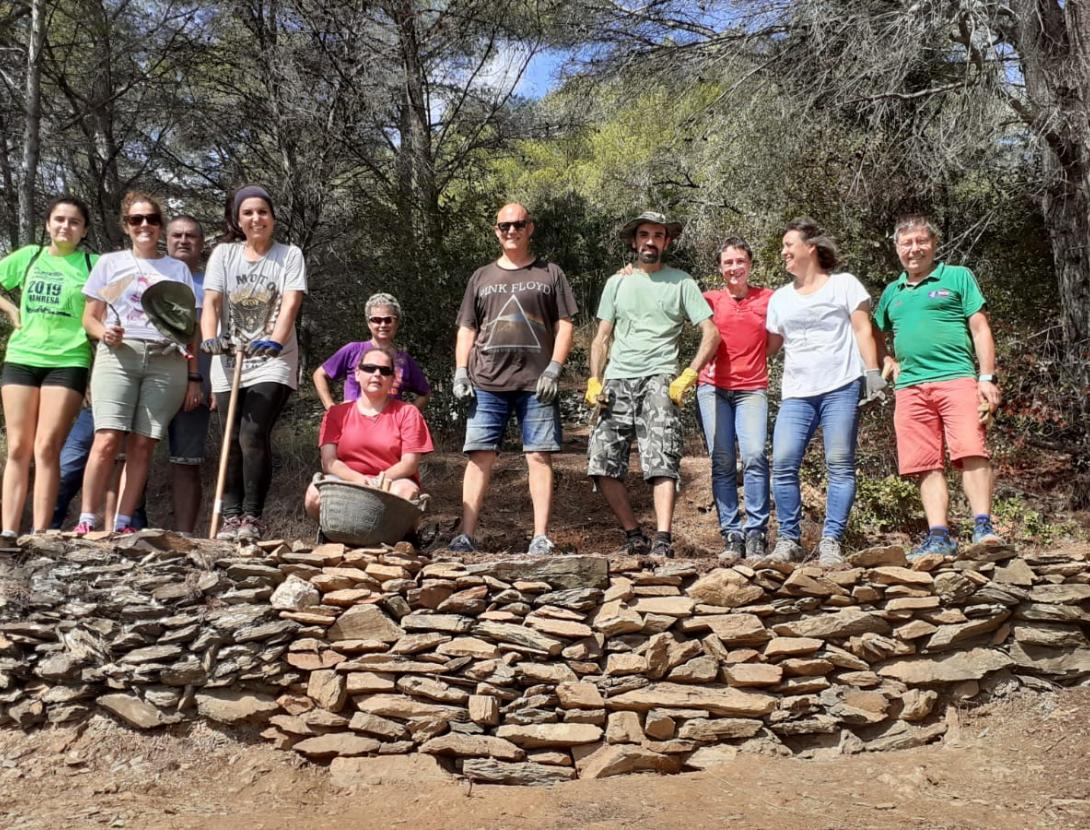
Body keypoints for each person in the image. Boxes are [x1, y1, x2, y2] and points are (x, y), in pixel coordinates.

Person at [585, 210, 720, 558]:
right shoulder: (617, 282)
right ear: (634, 241)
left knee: (662, 460)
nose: (650, 241)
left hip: (659, 378)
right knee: (601, 462)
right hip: (616, 380)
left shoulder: (682, 282)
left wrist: (687, 375)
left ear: (667, 241)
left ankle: (662, 538)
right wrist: (593, 379)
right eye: (644, 235)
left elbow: (711, 332)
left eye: (658, 235)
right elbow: (601, 337)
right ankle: (633, 534)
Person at [450, 202, 577, 555]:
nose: (511, 231)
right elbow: (467, 327)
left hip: (537, 383)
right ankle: (466, 534)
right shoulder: (481, 277)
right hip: (486, 381)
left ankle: (540, 536)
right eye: (504, 226)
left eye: (518, 224)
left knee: (538, 456)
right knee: (479, 456)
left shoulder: (550, 273)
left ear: (530, 228)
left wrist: (555, 367)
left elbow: (565, 323)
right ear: (496, 230)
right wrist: (461, 371)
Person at [874, 214, 1002, 558]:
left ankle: (983, 527)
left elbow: (980, 329)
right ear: (897, 249)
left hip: (957, 378)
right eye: (906, 243)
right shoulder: (892, 292)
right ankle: (939, 535)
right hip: (911, 388)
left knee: (971, 450)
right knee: (925, 463)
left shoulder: (957, 277)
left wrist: (986, 378)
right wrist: (887, 360)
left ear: (933, 245)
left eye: (921, 242)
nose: (914, 249)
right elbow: (873, 330)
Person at [75, 191, 199, 535]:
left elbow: (191, 327)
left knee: (144, 443)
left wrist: (194, 377)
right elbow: (90, 318)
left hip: (166, 360)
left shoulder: (176, 268)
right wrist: (104, 333)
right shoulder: (109, 263)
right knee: (108, 438)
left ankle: (125, 522)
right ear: (126, 225)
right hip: (119, 355)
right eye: (136, 219)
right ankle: (87, 519)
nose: (145, 225)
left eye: (152, 219)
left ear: (161, 227)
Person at [765, 217, 886, 566]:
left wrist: (873, 370)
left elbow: (863, 329)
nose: (784, 251)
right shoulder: (780, 298)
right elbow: (770, 346)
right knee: (784, 463)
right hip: (797, 393)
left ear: (810, 248)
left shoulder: (844, 285)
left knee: (840, 465)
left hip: (840, 387)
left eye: (789, 245)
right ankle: (789, 540)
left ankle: (831, 541)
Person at [201, 185, 307, 542]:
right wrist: (209, 338)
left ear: (273, 218)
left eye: (262, 212)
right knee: (230, 436)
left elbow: (291, 302)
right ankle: (230, 517)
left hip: (270, 359)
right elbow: (212, 302)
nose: (256, 218)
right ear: (238, 219)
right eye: (248, 213)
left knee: (252, 433)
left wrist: (274, 340)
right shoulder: (224, 255)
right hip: (229, 356)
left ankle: (252, 517)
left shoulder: (288, 255)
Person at [0, 196, 97, 539]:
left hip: (68, 360)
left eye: (73, 222)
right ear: (47, 224)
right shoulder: (29, 257)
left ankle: (42, 534)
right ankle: (8, 533)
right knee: (18, 448)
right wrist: (11, 310)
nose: (65, 227)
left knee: (46, 447)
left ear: (84, 230)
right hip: (22, 357)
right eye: (59, 219)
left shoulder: (92, 264)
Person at [696, 237, 773, 560]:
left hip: (752, 388)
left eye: (740, 261)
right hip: (712, 389)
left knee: (754, 455)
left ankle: (756, 532)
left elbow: (775, 340)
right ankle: (731, 532)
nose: (734, 268)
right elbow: (669, 302)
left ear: (749, 264)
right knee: (722, 459)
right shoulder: (709, 299)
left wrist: (754, 362)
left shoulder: (768, 298)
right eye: (728, 263)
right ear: (720, 267)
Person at [304, 344, 434, 519]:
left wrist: (378, 481)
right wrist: (360, 481)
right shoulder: (336, 414)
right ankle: (333, 535)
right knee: (314, 494)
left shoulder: (408, 412)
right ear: (357, 374)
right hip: (347, 482)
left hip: (391, 483)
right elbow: (329, 462)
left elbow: (409, 463)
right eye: (369, 368)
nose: (377, 374)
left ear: (392, 379)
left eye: (385, 370)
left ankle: (398, 539)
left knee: (406, 492)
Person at [162, 216, 211, 532]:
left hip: (197, 385)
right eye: (176, 235)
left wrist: (211, 383)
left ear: (201, 243)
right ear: (165, 240)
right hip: (150, 379)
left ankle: (184, 536)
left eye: (191, 236)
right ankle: (126, 525)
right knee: (128, 456)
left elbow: (218, 339)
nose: (183, 240)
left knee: (187, 464)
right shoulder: (147, 277)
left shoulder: (212, 286)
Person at [313, 292, 430, 410]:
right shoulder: (352, 350)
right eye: (376, 320)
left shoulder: (404, 359)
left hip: (388, 426)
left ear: (397, 323)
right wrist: (332, 408)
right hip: (352, 424)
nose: (383, 325)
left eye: (388, 320)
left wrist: (407, 418)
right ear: (369, 324)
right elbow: (319, 375)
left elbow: (424, 394)